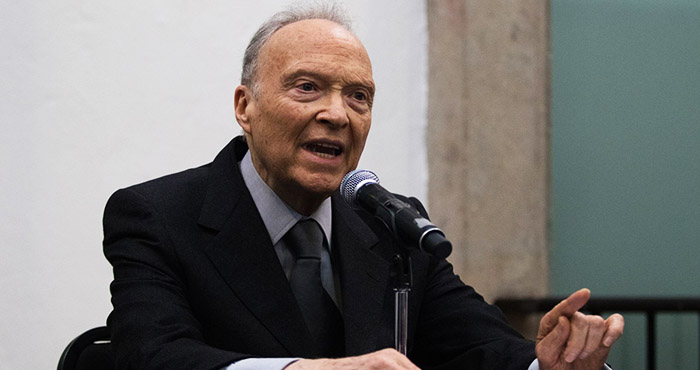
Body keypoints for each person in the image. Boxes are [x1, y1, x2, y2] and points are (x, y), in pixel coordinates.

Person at [103, 5, 624, 370]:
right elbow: (151, 355)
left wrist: (546, 365)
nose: (336, 114)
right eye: (307, 87)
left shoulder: (392, 225)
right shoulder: (157, 216)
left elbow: (478, 344)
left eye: (358, 96)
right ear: (245, 106)